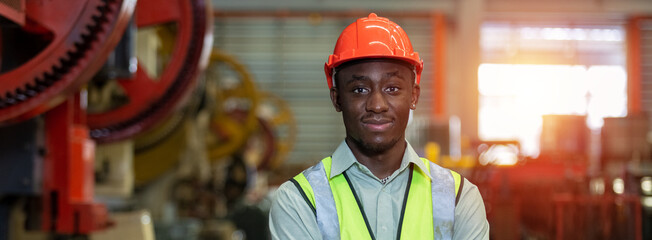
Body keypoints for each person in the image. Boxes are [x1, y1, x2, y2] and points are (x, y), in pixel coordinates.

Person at [269, 13, 489, 240]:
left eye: (392, 88)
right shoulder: (299, 200)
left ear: (413, 96)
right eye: (359, 89)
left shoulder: (458, 198)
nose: (377, 105)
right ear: (337, 99)